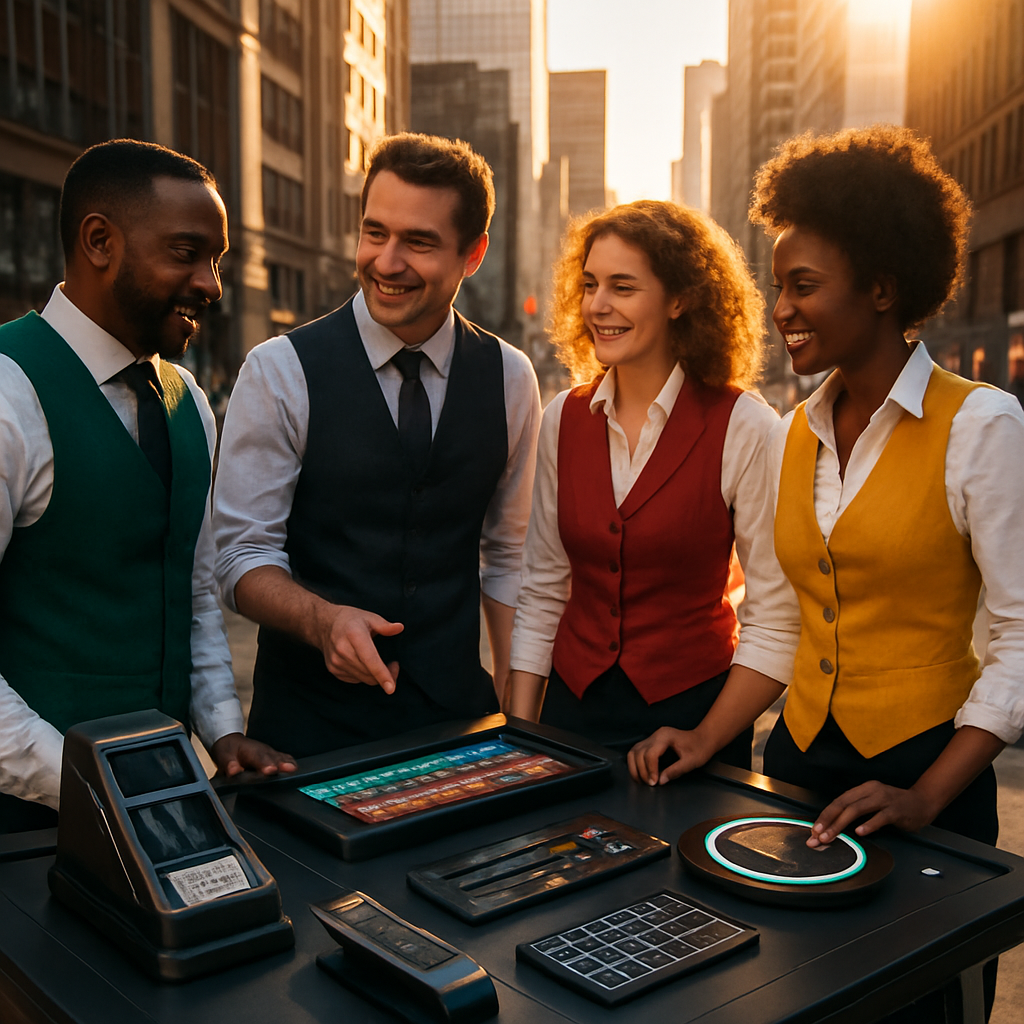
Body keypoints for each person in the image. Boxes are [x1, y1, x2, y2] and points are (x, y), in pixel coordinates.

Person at [628, 126, 1024, 1018]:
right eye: (778, 286)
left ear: (883, 288)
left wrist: (926, 794)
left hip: (928, 776)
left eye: (803, 286)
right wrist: (705, 733)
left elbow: (1020, 637)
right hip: (799, 764)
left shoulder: (982, 426)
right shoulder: (798, 430)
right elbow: (786, 618)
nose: (781, 309)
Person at [0, 140, 295, 834]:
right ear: (99, 241)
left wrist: (222, 733)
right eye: (187, 253)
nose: (212, 285)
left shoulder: (188, 401)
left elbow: (189, 592)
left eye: (217, 262)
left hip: (157, 805)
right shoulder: (9, 391)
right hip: (24, 832)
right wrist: (81, 783)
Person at [214, 133, 541, 757]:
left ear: (473, 255)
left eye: (418, 242)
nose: (386, 262)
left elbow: (509, 556)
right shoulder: (279, 370)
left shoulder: (510, 376)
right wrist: (321, 619)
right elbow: (239, 559)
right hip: (307, 735)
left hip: (460, 726)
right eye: (375, 232)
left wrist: (515, 714)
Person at [503, 201, 796, 759]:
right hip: (569, 717)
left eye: (623, 286)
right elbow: (543, 588)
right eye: (590, 284)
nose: (598, 305)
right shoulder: (563, 417)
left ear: (681, 299)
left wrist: (706, 738)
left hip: (694, 719)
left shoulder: (746, 424)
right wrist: (520, 735)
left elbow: (776, 617)